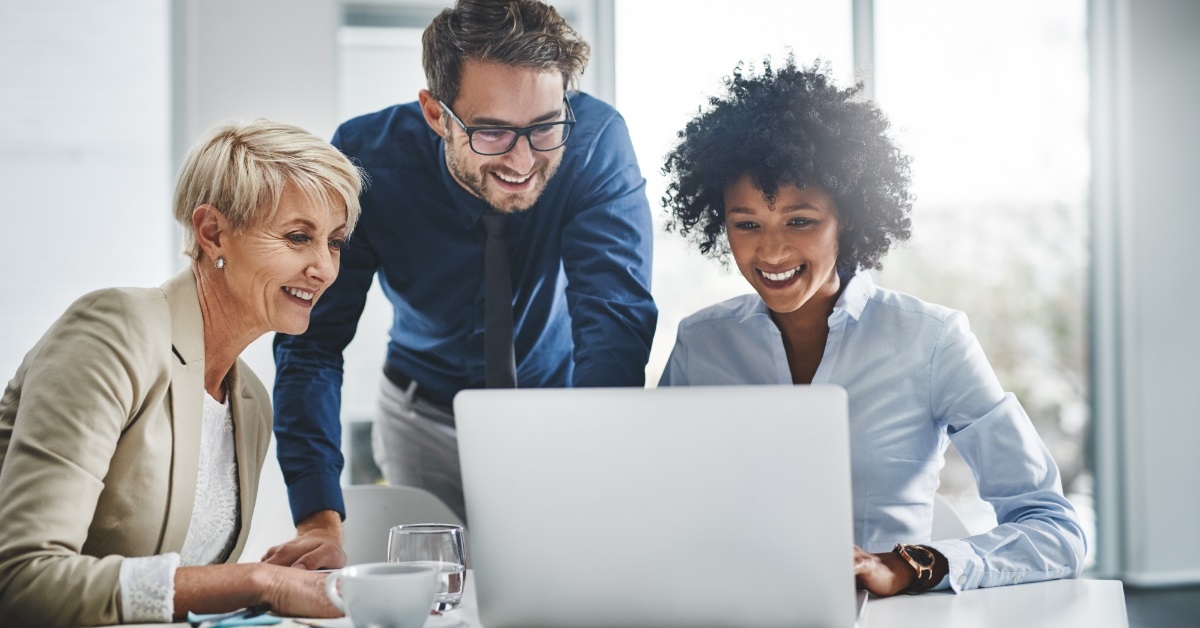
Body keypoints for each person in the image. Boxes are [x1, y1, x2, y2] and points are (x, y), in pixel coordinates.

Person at [657, 58, 1086, 596]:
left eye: (800, 220)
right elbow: (657, 508)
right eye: (746, 224)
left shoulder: (931, 340)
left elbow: (1056, 529)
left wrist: (908, 565)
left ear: (850, 216)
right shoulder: (701, 345)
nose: (770, 251)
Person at [268, 0, 657, 566]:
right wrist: (317, 518)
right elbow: (312, 342)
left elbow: (614, 321)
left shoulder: (595, 142)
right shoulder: (366, 161)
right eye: (493, 132)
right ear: (436, 114)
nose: (523, 160)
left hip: (559, 412)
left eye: (545, 126)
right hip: (422, 416)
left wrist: (592, 467)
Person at [0, 119, 364, 625]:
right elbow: (23, 581)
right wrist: (258, 582)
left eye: (335, 242)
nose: (324, 268)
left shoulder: (250, 401)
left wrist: (282, 579)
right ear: (212, 232)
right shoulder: (113, 331)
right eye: (299, 236)